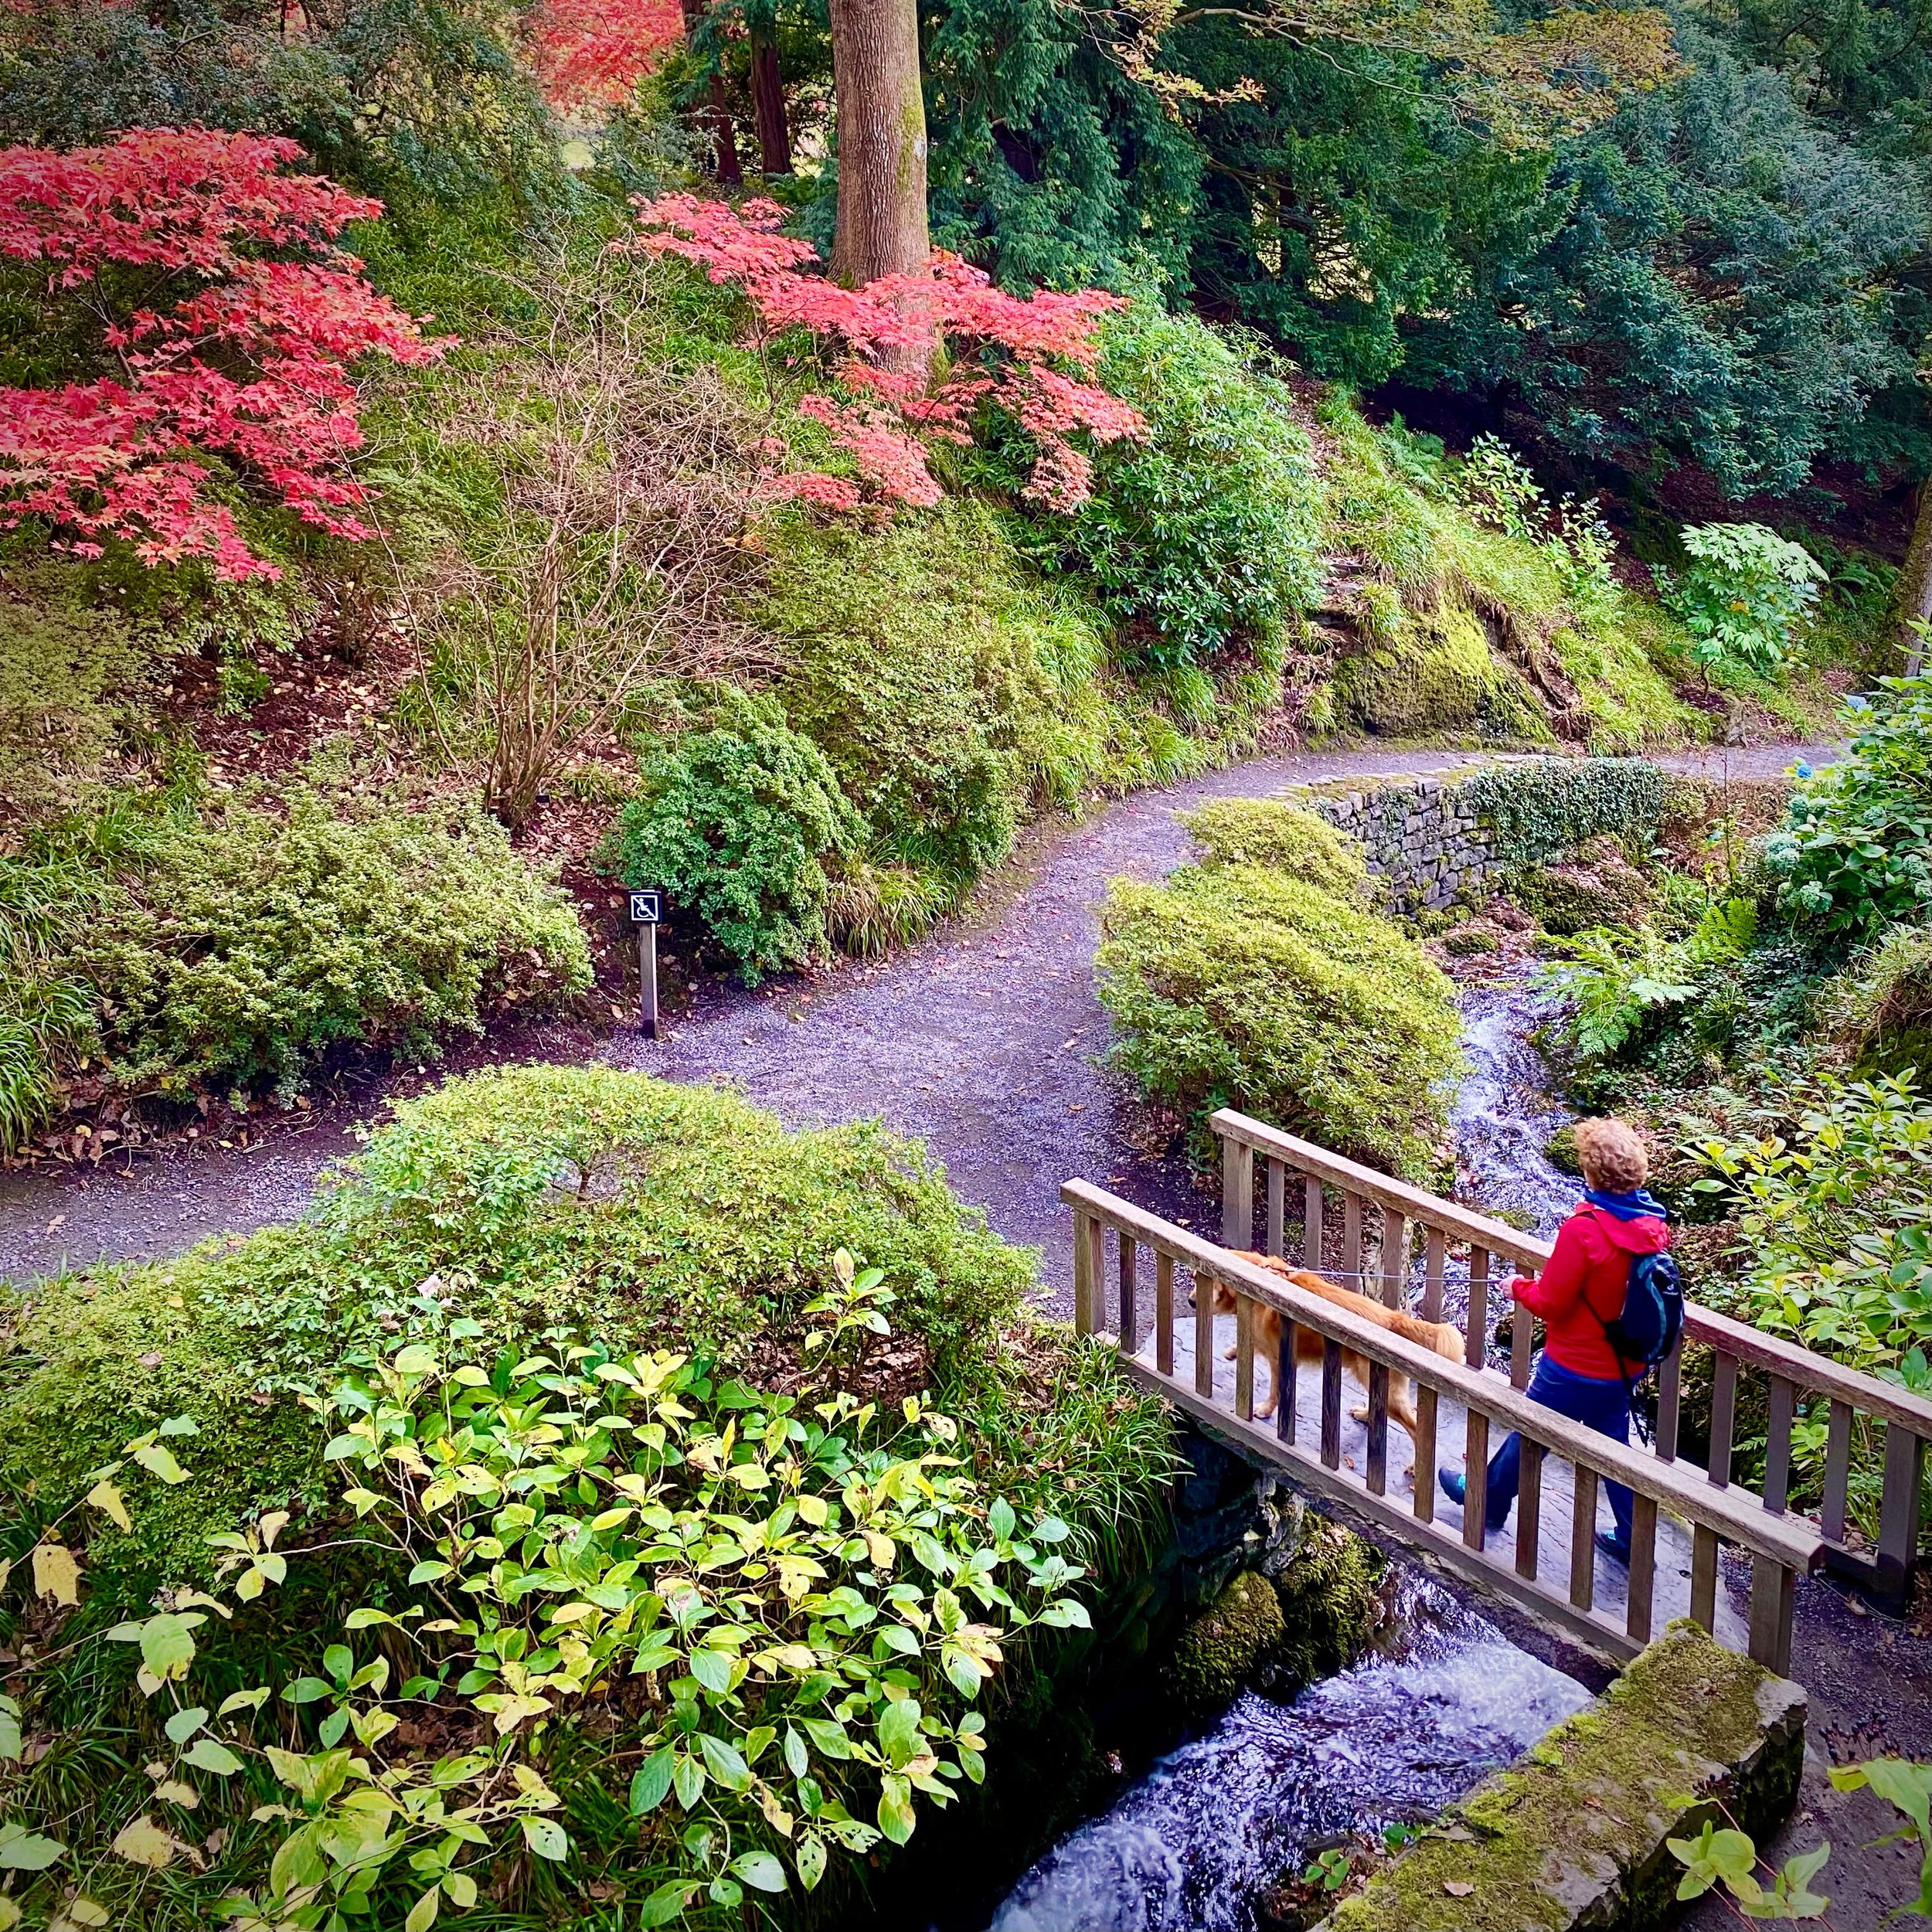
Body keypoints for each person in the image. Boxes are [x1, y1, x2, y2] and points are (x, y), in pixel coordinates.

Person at [1438, 1117, 1671, 1566]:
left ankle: (1483, 1498)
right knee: (1615, 1450)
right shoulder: (1651, 1227)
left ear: (1592, 1172)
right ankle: (1634, 1539)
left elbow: (1552, 1302)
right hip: (1623, 1365)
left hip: (1573, 1366)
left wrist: (1517, 1288)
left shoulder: (1584, 1230)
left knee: (1530, 1434)